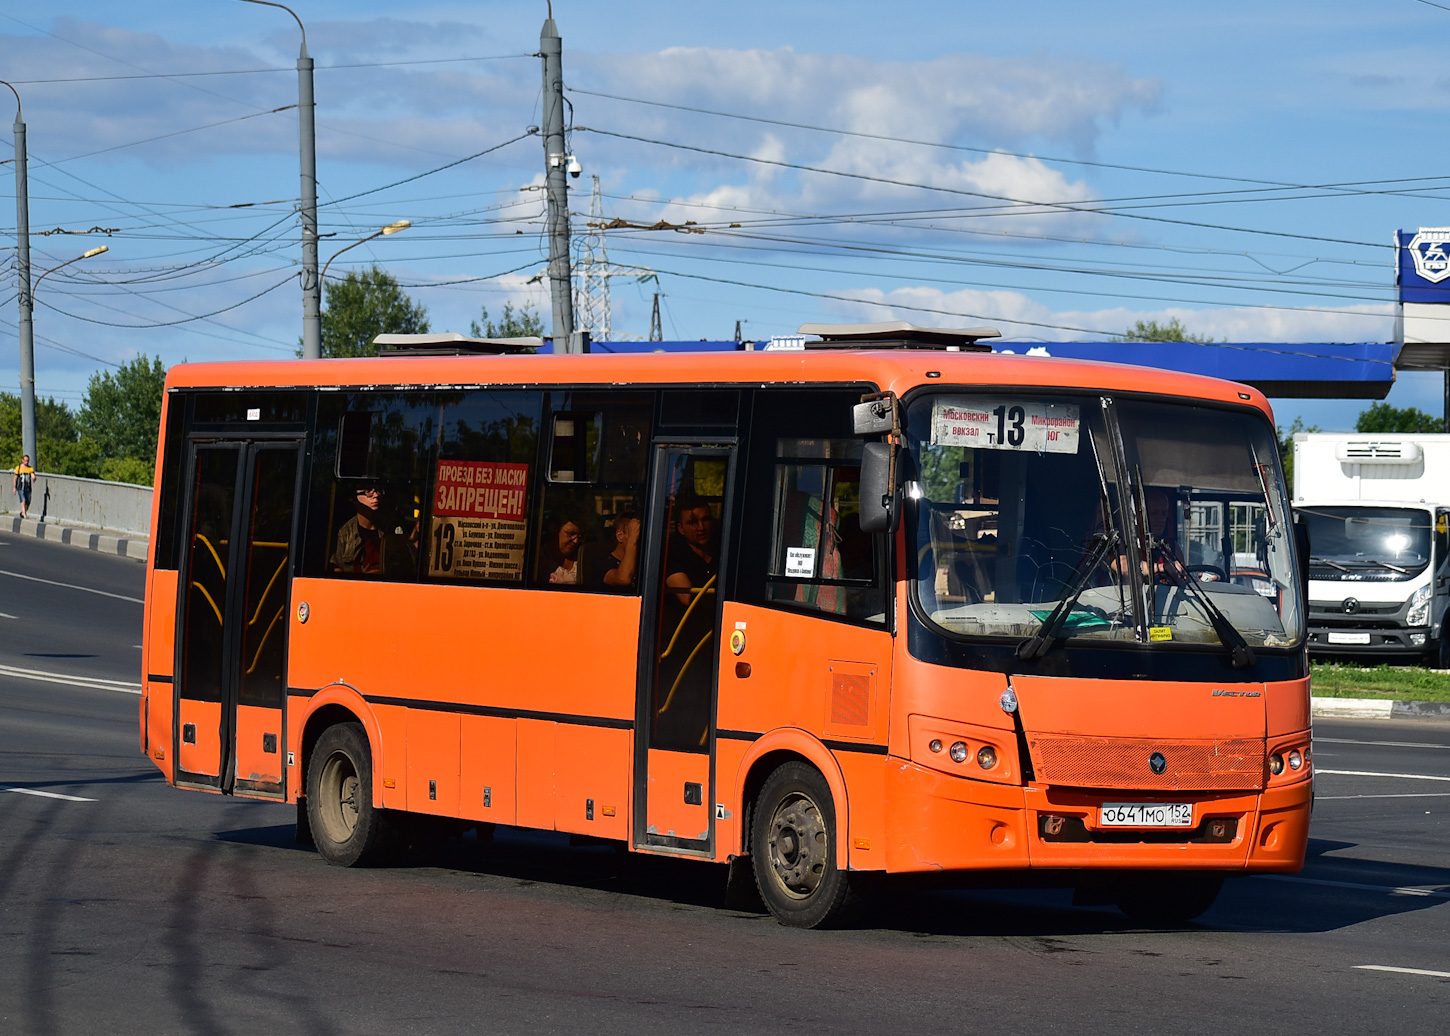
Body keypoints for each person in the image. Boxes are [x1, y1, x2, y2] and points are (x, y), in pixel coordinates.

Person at [331, 483, 415, 577]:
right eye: (368, 491)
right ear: (353, 498)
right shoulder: (345, 533)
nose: (376, 495)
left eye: (377, 490)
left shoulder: (394, 528)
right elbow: (337, 570)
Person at [665, 497, 717, 606]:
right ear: (681, 529)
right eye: (693, 522)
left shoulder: (723, 553)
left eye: (705, 519)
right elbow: (688, 598)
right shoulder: (673, 557)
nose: (701, 527)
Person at [591, 512, 641, 588]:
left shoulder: (642, 562)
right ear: (620, 536)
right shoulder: (602, 564)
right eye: (636, 533)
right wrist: (632, 538)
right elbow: (623, 579)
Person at [547, 517, 584, 584]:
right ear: (556, 531)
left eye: (579, 536)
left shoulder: (581, 559)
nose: (576, 541)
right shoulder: (539, 560)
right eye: (571, 534)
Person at [12, 454, 34, 520]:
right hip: (20, 487)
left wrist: (34, 478)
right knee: (23, 501)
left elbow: (33, 476)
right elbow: (15, 478)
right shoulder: (18, 468)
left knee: (28, 502)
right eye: (25, 460)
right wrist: (14, 487)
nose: (26, 462)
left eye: (27, 461)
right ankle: (24, 515)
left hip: (28, 488)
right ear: (22, 460)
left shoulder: (30, 469)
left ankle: (23, 512)